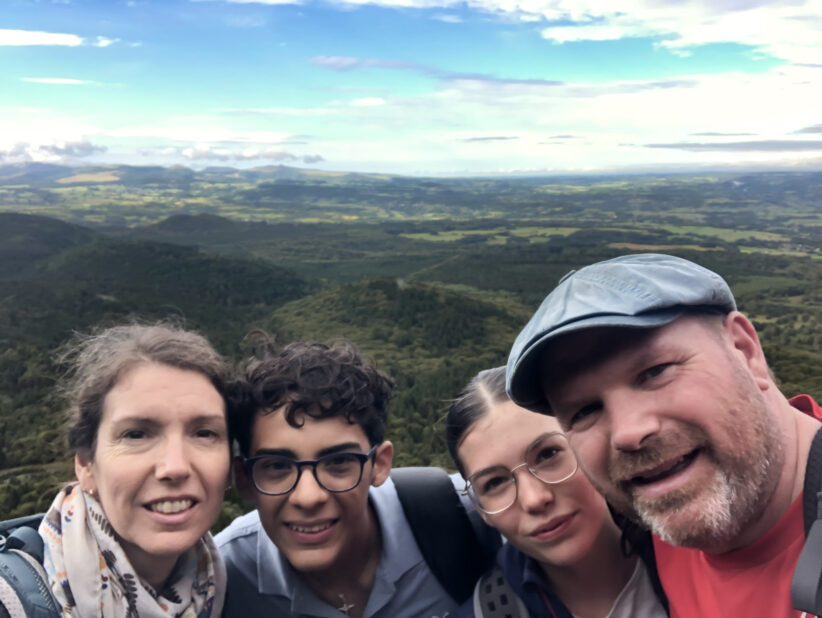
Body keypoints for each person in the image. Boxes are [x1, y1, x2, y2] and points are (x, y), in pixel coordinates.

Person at [505, 252, 822, 618]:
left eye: (655, 372)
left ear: (744, 350)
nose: (628, 433)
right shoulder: (650, 514)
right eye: (585, 411)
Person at [216, 339, 467, 618]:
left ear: (379, 465)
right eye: (277, 466)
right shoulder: (220, 579)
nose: (308, 497)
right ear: (244, 478)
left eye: (337, 463)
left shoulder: (465, 518)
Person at [38, 322, 231, 617]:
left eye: (204, 433)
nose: (175, 467)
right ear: (86, 464)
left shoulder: (226, 591)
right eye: (136, 434)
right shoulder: (15, 601)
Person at [446, 366, 667, 618]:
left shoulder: (698, 542)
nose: (534, 499)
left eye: (548, 454)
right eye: (494, 483)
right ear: (481, 509)